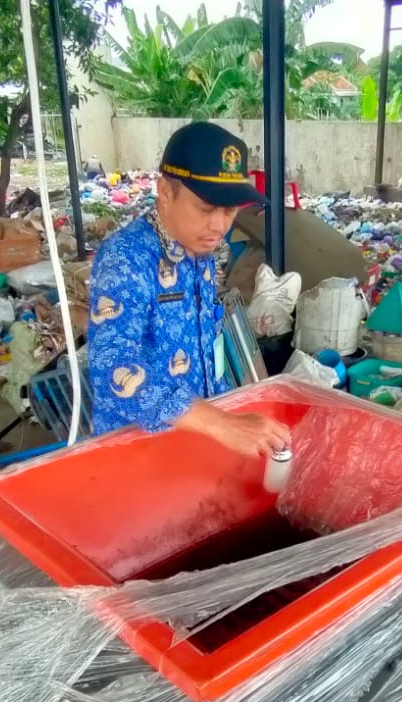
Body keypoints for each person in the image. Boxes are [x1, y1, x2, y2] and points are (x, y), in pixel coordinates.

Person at [86, 121, 289, 456]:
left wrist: (230, 414)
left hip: (193, 444)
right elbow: (113, 367)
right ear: (165, 192)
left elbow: (208, 351)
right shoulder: (126, 258)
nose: (219, 226)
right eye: (206, 209)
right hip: (139, 455)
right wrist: (222, 425)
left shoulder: (201, 254)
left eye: (229, 211)